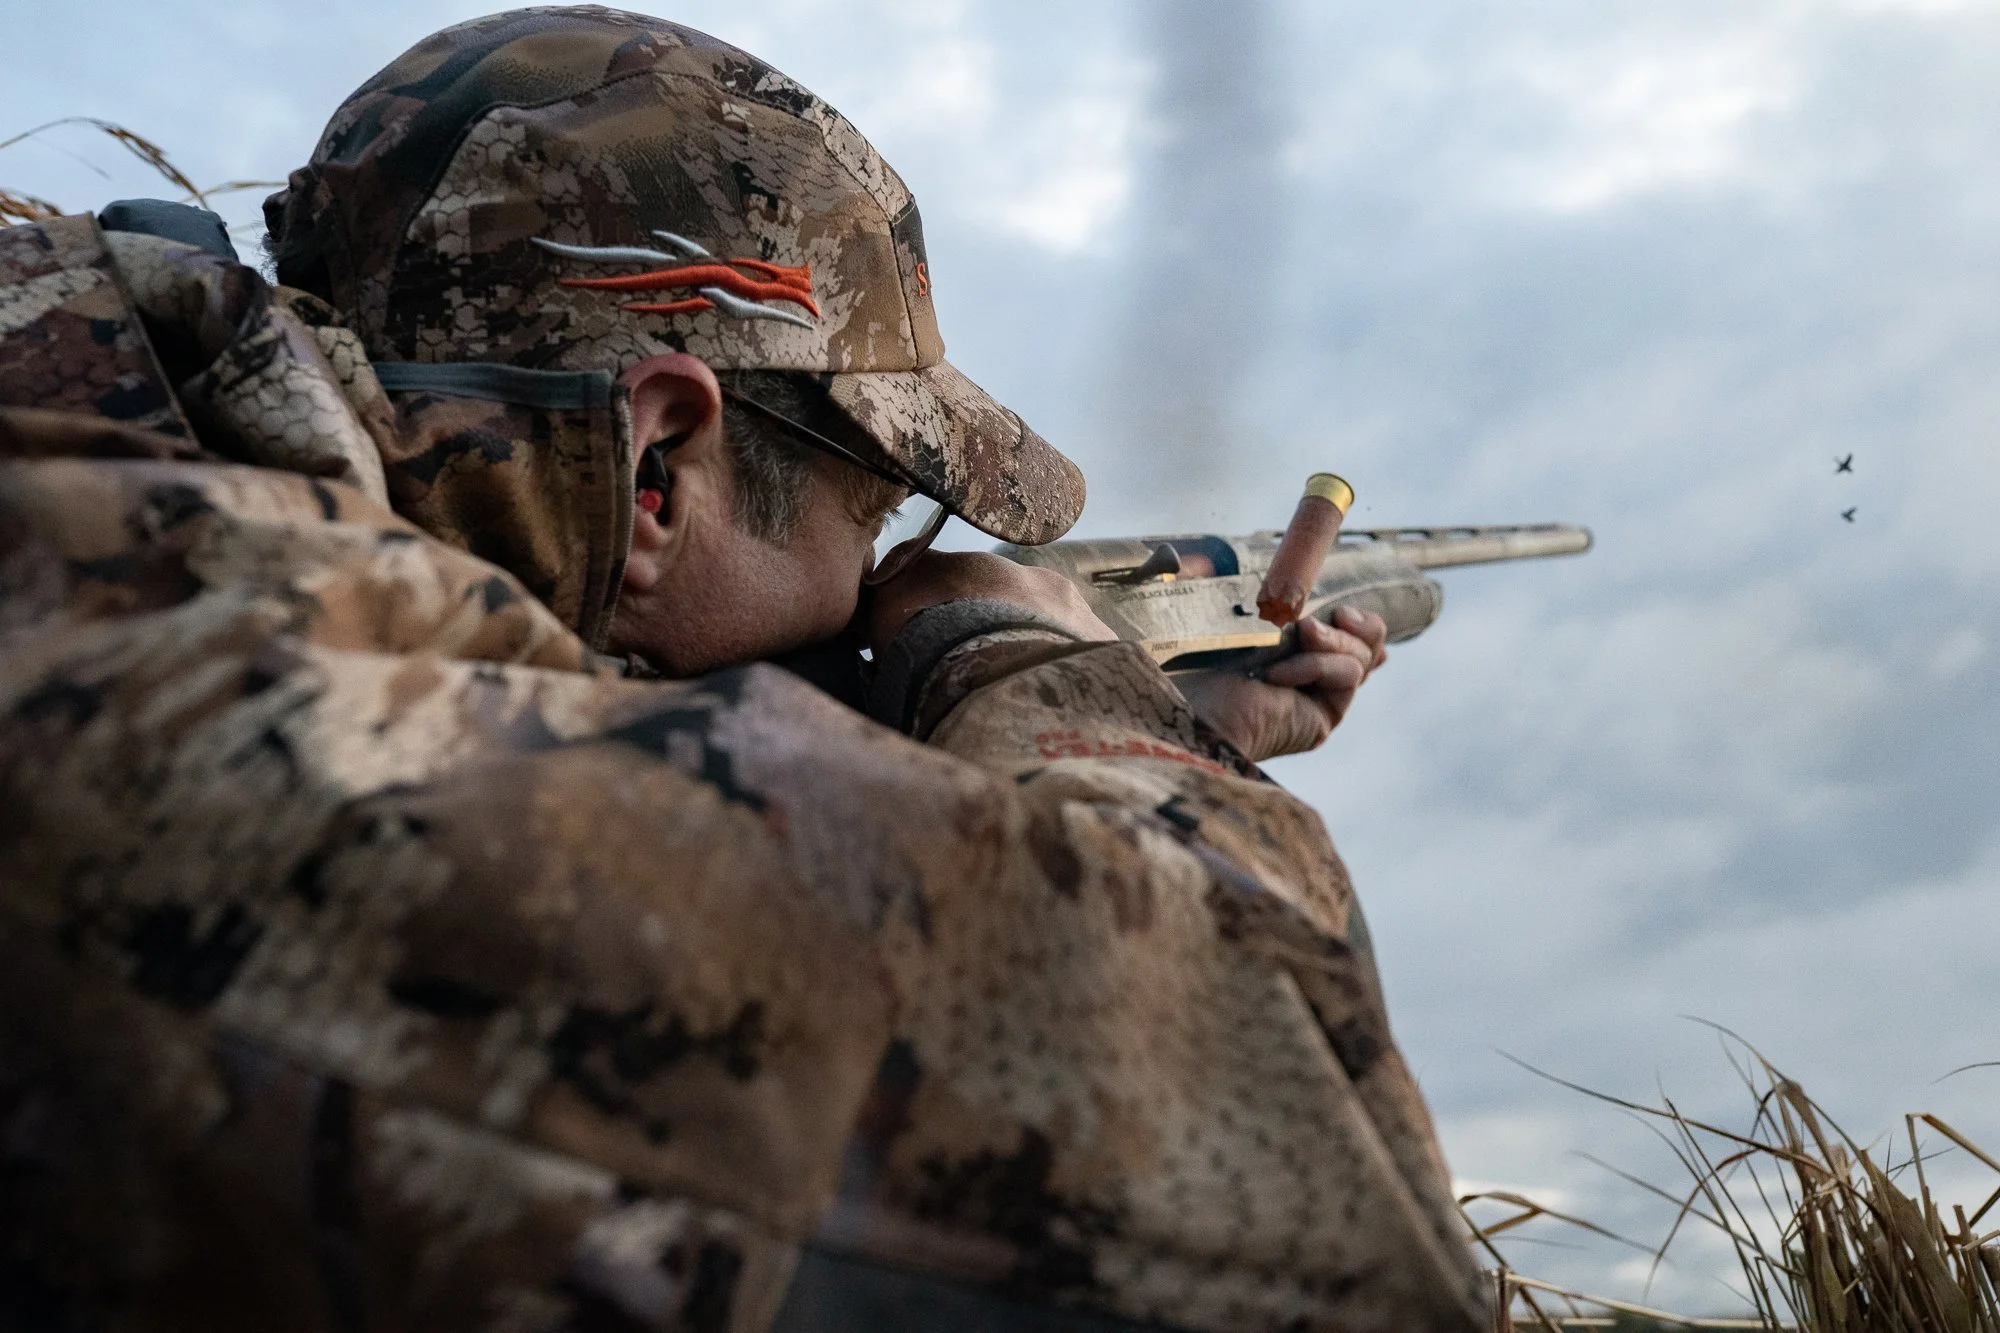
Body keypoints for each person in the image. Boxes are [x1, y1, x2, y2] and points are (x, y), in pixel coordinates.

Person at [0, 8, 1487, 1332]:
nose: (878, 589)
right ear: (656, 469)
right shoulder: (186, 676)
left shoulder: (141, 516)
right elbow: (1324, 1213)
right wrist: (1036, 673)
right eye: (883, 519)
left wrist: (1131, 745)